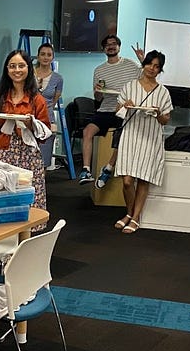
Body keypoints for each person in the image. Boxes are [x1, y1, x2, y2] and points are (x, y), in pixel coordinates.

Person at [0, 50, 50, 231]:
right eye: (12, 66)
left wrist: (30, 124)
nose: (17, 70)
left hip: (28, 155)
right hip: (2, 152)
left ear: (28, 68)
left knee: (28, 197)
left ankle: (27, 242)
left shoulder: (37, 99)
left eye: (21, 66)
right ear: (7, 70)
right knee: (1, 195)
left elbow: (43, 135)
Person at [113, 50, 173, 234]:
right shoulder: (130, 86)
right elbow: (117, 111)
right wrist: (125, 106)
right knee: (127, 181)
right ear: (144, 64)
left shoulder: (162, 92)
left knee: (143, 179)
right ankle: (130, 213)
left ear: (160, 70)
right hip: (131, 135)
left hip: (150, 137)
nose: (152, 69)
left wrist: (157, 113)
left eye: (156, 66)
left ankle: (135, 217)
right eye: (149, 64)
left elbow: (165, 120)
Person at [78, 34, 143, 187]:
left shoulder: (131, 65)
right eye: (107, 44)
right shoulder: (99, 70)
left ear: (119, 47)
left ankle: (108, 168)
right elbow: (99, 98)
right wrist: (98, 91)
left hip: (124, 110)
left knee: (124, 136)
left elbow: (146, 79)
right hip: (106, 108)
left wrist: (142, 59)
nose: (111, 46)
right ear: (103, 49)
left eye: (114, 43)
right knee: (88, 131)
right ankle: (86, 170)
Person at [34, 42, 64, 170]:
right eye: (43, 54)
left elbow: (54, 99)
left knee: (44, 160)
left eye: (49, 55)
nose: (46, 57)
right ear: (38, 56)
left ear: (52, 57)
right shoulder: (29, 74)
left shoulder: (58, 78)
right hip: (30, 118)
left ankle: (41, 189)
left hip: (48, 119)